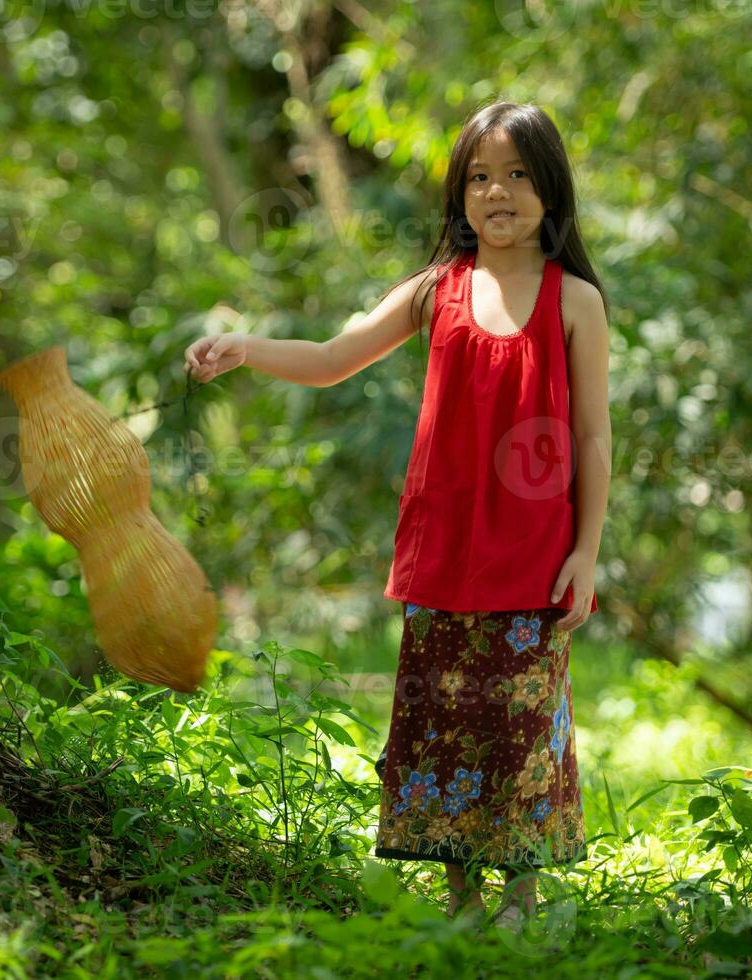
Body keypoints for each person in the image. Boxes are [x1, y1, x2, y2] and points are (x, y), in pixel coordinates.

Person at [182, 99, 611, 929]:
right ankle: (461, 899)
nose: (498, 193)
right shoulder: (433, 292)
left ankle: (521, 897)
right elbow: (334, 357)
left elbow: (594, 436)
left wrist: (586, 551)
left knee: (521, 721)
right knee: (444, 718)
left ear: (551, 191)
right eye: (480, 176)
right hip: (443, 552)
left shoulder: (574, 302)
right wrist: (245, 348)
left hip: (533, 555)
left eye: (518, 175)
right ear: (458, 197)